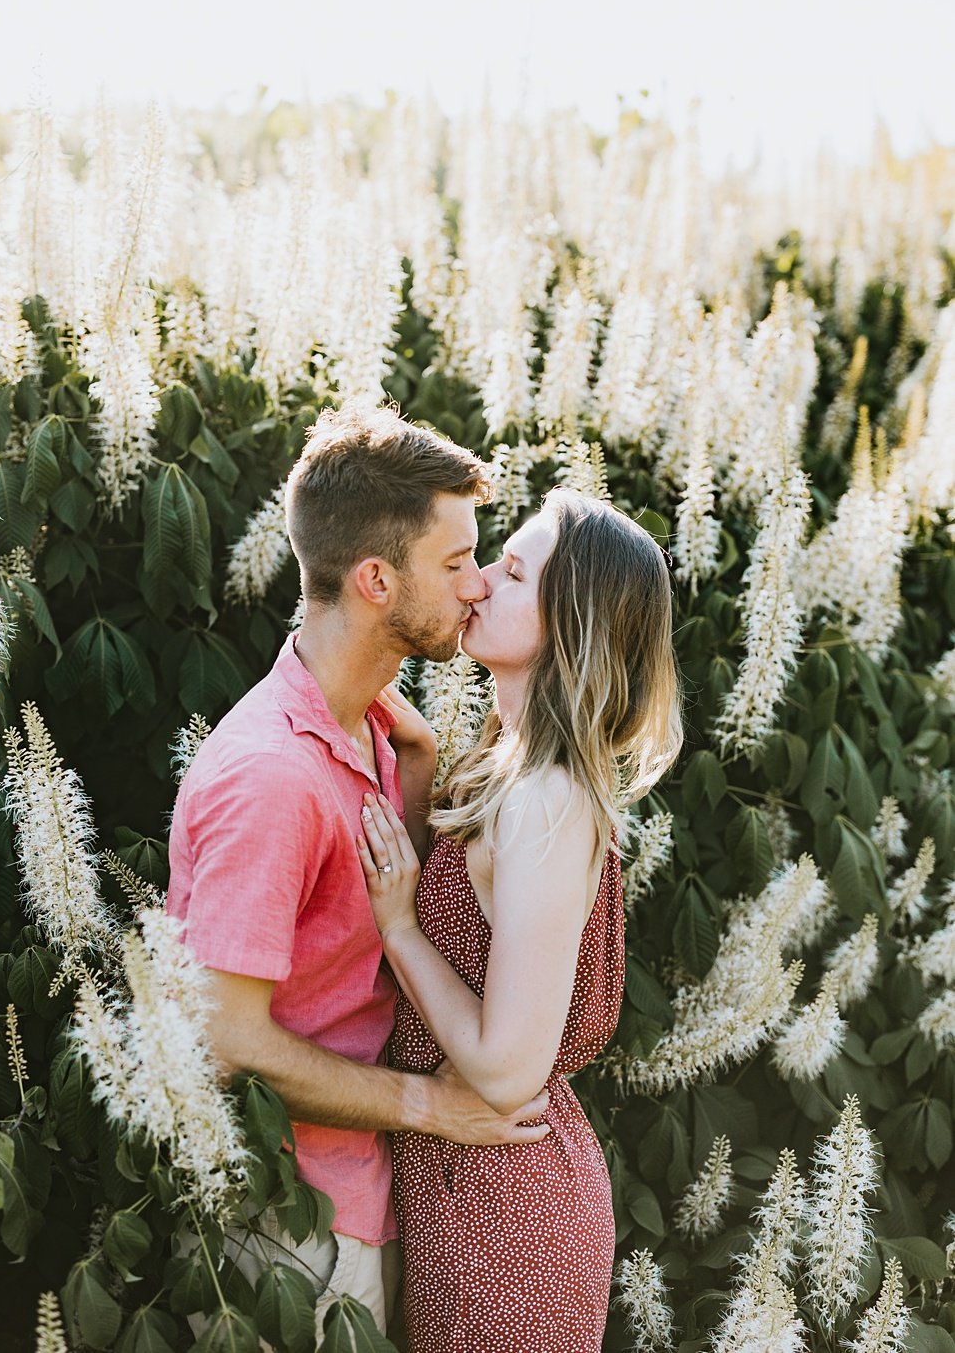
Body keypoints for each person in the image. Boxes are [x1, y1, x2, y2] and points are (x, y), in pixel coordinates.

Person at [165, 403, 552, 1341]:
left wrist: (413, 770)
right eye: (455, 562)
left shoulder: (374, 729)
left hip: (363, 1193)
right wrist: (435, 1109)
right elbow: (228, 1044)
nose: (475, 586)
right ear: (377, 579)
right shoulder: (270, 779)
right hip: (287, 1223)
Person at [357, 488, 684, 1353]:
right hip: (471, 1188)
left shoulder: (548, 800)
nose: (479, 584)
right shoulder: (513, 771)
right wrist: (421, 762)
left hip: (509, 1216)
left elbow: (507, 1071)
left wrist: (399, 930)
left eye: (512, 570)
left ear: (568, 623)